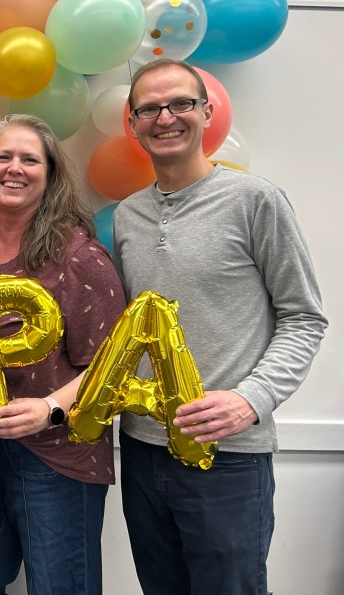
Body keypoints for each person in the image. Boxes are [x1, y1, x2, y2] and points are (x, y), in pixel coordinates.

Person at [114, 58, 327, 595]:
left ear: (207, 112)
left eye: (181, 103)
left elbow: (304, 318)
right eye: (149, 109)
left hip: (228, 456)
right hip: (142, 449)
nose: (166, 118)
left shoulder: (256, 200)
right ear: (132, 123)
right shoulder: (126, 216)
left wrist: (250, 399)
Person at [0, 115, 126, 595]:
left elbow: (114, 365)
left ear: (51, 174)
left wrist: (49, 408)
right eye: (3, 157)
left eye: (29, 159)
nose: (14, 168)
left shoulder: (79, 257)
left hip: (56, 455)